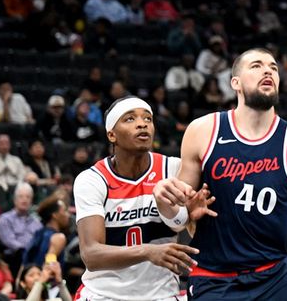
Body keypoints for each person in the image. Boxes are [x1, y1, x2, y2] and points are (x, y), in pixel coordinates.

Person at [153, 48, 287, 299]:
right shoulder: (203, 131)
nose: (267, 71)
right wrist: (166, 202)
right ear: (236, 83)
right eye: (256, 66)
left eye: (273, 68)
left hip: (275, 275)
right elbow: (178, 218)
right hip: (214, 277)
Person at [73, 96, 213, 301]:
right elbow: (91, 255)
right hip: (104, 295)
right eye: (130, 119)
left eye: (148, 119)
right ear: (112, 135)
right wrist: (147, 252)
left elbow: (187, 229)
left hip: (162, 295)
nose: (142, 124)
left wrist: (194, 218)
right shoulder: (92, 180)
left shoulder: (174, 169)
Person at [0, 183, 39, 264]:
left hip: (34, 256)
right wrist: (28, 250)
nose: (24, 200)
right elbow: (9, 241)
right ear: (15, 200)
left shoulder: (36, 221)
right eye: (21, 196)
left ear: (31, 201)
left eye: (28, 197)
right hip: (15, 257)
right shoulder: (5, 219)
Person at [21, 198, 69, 269]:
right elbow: (48, 268)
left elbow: (24, 263)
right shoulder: (58, 238)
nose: (68, 215)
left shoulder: (38, 233)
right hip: (43, 279)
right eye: (65, 211)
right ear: (55, 215)